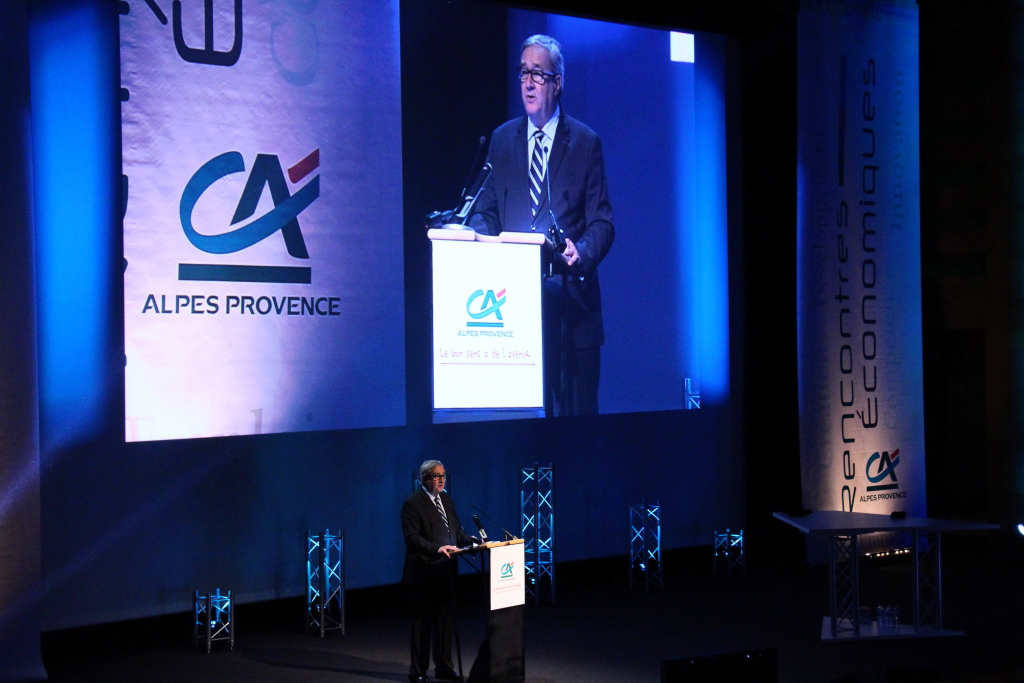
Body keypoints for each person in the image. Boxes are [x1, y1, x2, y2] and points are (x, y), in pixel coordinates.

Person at [469, 34, 614, 416]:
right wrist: (478, 238)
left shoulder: (584, 142)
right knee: (527, 434)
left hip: (573, 313)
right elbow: (487, 212)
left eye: (538, 73)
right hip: (514, 317)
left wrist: (579, 253)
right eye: (523, 73)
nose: (528, 82)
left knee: (577, 435)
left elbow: (601, 220)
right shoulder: (502, 140)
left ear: (557, 82)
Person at [401, 460, 476, 683]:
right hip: (424, 572)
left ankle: (444, 668)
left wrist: (470, 541)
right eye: (436, 476)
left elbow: (456, 529)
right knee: (422, 624)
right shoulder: (412, 504)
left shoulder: (446, 499)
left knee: (444, 622)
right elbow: (411, 538)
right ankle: (418, 672)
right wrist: (437, 548)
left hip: (446, 572)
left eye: (443, 475)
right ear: (424, 479)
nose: (442, 480)